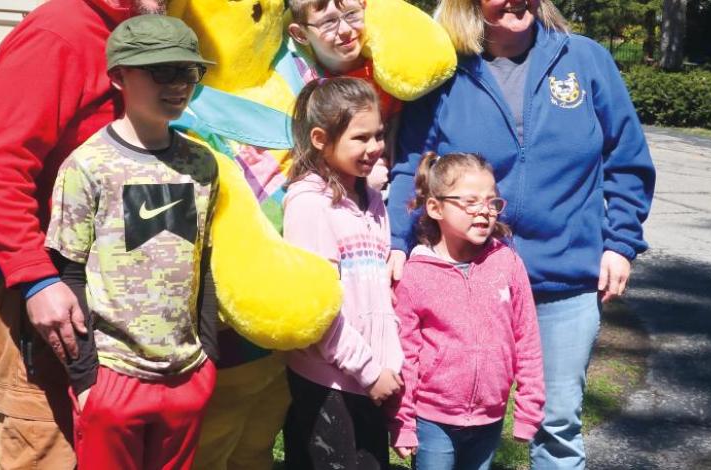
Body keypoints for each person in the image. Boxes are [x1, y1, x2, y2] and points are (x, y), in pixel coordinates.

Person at [386, 0, 656, 468]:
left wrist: (620, 242)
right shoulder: (444, 71)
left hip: (563, 282)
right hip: (468, 281)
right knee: (457, 422)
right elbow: (414, 164)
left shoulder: (585, 59)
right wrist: (396, 240)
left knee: (557, 425)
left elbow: (626, 157)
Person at [0, 0, 164, 466]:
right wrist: (38, 279)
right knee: (48, 446)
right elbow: (0, 172)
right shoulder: (59, 32)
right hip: (42, 289)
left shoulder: (150, 25)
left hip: (112, 285)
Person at [44, 14, 218, 468]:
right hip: (114, 377)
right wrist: (87, 380)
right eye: (162, 71)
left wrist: (209, 361)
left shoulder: (202, 164)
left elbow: (204, 265)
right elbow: (68, 273)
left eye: (188, 71)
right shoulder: (87, 166)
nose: (179, 84)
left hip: (187, 377)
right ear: (119, 77)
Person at [388, 152, 544, 470]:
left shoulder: (507, 262)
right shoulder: (416, 273)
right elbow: (406, 355)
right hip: (432, 418)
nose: (484, 212)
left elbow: (527, 338)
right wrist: (402, 422)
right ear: (435, 208)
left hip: (490, 416)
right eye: (470, 202)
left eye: (491, 202)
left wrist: (529, 408)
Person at [281, 77, 404, 470]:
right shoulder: (308, 204)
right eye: (360, 138)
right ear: (320, 138)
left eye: (379, 135)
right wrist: (369, 371)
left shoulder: (371, 200)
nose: (375, 148)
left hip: (371, 379)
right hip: (328, 382)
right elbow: (319, 310)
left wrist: (386, 365)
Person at [287, 0, 403, 193]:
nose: (345, 30)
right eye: (328, 23)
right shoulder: (308, 89)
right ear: (300, 34)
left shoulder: (389, 66)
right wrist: (360, 183)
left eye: (351, 14)